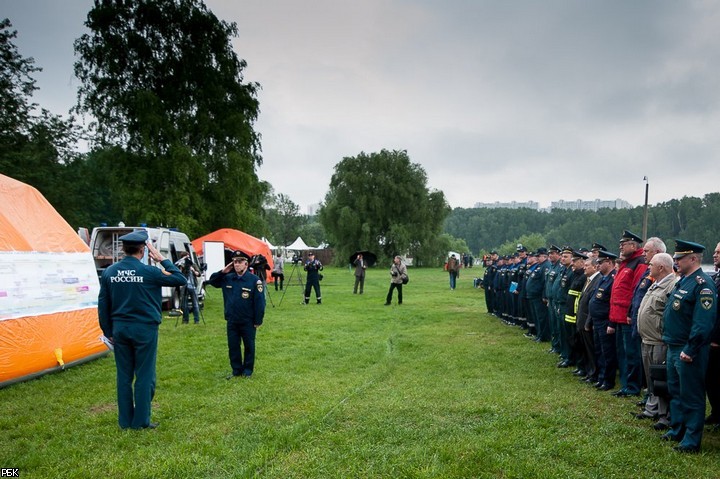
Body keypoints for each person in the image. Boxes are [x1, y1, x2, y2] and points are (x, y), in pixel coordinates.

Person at [98, 230, 187, 429]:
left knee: (124, 376)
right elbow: (179, 279)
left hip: (119, 328)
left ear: (123, 249)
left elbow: (103, 304)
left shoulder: (110, 272)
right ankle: (141, 421)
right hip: (145, 329)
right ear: (143, 249)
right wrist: (162, 259)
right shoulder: (150, 271)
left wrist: (107, 331)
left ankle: (125, 421)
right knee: (145, 375)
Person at [662, 240, 717, 453]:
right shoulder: (684, 280)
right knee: (675, 391)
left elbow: (703, 323)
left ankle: (691, 440)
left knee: (692, 394)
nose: (675, 261)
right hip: (674, 345)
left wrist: (691, 349)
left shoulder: (703, 284)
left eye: (679, 258)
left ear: (693, 258)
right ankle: (678, 429)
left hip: (688, 350)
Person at [206, 250, 266, 378]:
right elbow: (212, 281)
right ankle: (236, 370)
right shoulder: (228, 278)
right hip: (232, 319)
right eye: (234, 262)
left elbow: (260, 302)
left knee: (249, 346)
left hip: (248, 320)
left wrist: (258, 320)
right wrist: (223, 271)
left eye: (240, 262)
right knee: (233, 346)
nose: (237, 264)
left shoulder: (254, 280)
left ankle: (248, 371)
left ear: (246, 264)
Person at [636, 252, 676, 429]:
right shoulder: (655, 283)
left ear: (661, 267)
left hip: (659, 339)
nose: (648, 266)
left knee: (661, 379)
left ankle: (664, 415)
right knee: (651, 377)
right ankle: (651, 408)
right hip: (647, 338)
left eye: (651, 264)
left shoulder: (672, 285)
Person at [608, 230, 648, 397]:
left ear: (633, 245)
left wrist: (630, 313)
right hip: (618, 316)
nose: (620, 247)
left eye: (623, 245)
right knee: (622, 353)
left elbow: (636, 291)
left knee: (631, 354)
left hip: (627, 317)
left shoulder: (639, 263)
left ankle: (632, 387)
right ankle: (625, 384)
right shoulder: (626, 263)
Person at [588, 249, 618, 391]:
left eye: (601, 262)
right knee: (599, 351)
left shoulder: (613, 279)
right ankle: (601, 377)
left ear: (609, 262)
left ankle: (608, 380)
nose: (598, 265)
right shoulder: (602, 278)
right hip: (597, 320)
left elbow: (613, 303)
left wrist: (611, 323)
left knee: (607, 353)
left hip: (606, 321)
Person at [706, 242, 720, 427]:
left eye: (718, 252)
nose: (715, 255)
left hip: (718, 339)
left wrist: (717, 338)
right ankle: (716, 412)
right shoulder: (716, 277)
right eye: (715, 251)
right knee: (711, 378)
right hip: (710, 338)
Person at [175, 251, 201, 324]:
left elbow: (199, 273)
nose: (187, 258)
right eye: (186, 257)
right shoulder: (181, 265)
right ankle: (185, 320)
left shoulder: (192, 264)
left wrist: (193, 270)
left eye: (188, 257)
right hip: (184, 285)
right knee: (184, 304)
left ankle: (196, 320)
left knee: (195, 303)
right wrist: (181, 268)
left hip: (192, 285)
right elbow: (177, 272)